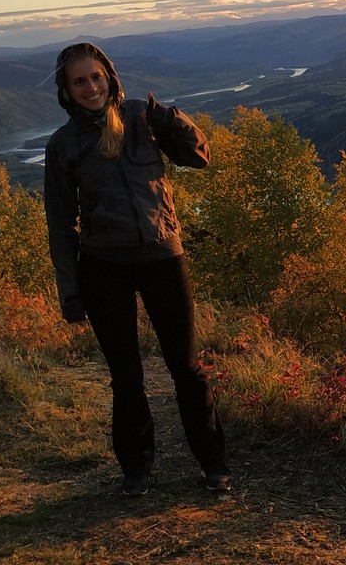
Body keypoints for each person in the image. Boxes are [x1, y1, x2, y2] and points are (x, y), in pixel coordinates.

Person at [43, 41, 230, 497]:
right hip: (103, 267)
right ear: (67, 90)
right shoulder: (63, 145)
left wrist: (171, 119)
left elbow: (199, 156)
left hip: (163, 256)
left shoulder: (142, 118)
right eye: (80, 81)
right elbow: (60, 225)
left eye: (96, 77)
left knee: (186, 367)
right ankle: (136, 470)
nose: (91, 87)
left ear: (109, 77)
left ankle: (214, 464)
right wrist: (70, 291)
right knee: (126, 376)